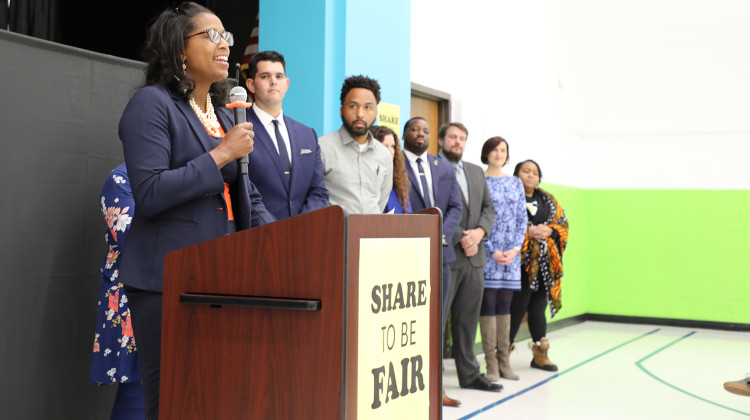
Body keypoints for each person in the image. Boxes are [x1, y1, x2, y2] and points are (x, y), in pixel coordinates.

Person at [117, 3, 275, 418]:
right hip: (167, 279)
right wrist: (221, 154)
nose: (225, 44)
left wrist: (280, 242)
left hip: (221, 274)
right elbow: (149, 191)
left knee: (214, 395)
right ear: (179, 49)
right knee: (174, 399)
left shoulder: (223, 115)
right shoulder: (151, 105)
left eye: (228, 37)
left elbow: (248, 196)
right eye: (212, 36)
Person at [402, 116, 463, 406]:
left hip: (440, 253)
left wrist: (442, 233)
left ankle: (436, 389)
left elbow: (455, 206)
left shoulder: (444, 166)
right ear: (405, 134)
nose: (420, 134)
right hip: (407, 252)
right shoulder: (395, 162)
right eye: (414, 129)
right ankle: (410, 390)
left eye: (425, 130)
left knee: (437, 321)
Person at [438, 123, 500, 393]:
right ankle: (432, 378)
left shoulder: (475, 171)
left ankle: (470, 375)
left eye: (462, 138)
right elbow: (431, 208)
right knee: (437, 320)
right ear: (441, 140)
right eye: (452, 137)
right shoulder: (431, 167)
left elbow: (489, 208)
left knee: (467, 320)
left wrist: (479, 233)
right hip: (446, 256)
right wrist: (462, 235)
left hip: (475, 258)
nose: (457, 142)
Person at [244, 50, 328, 220]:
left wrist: (300, 227)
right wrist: (278, 232)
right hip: (257, 237)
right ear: (251, 85)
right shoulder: (239, 128)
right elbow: (242, 191)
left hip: (304, 235)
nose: (274, 82)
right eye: (265, 76)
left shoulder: (308, 134)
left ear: (287, 84)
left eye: (279, 76)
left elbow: (319, 191)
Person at [91, 164, 144, 420]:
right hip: (134, 294)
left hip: (184, 291)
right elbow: (132, 239)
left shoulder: (190, 175)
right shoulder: (122, 177)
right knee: (137, 391)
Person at [509, 159, 568, 372]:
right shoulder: (510, 197)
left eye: (534, 172)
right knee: (516, 308)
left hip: (544, 265)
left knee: (537, 308)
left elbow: (562, 224)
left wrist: (550, 231)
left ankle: (540, 355)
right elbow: (501, 225)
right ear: (516, 174)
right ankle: (502, 354)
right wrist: (528, 233)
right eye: (526, 171)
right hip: (517, 264)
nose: (530, 175)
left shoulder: (548, 200)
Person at [479, 137, 527, 382]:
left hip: (511, 257)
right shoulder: (479, 180)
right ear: (486, 153)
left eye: (503, 150)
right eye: (494, 150)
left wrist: (516, 248)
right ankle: (491, 366)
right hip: (488, 254)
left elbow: (521, 218)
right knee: (487, 305)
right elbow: (475, 217)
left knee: (505, 307)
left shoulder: (515, 182)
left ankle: (504, 362)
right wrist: (490, 249)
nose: (499, 154)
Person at [319, 75, 393, 214]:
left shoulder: (384, 154)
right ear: (341, 110)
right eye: (353, 106)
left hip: (371, 234)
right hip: (335, 234)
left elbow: (381, 200)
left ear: (376, 112)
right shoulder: (322, 148)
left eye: (367, 107)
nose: (360, 114)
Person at [371, 125, 411, 213]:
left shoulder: (399, 181)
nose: (391, 151)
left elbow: (408, 217)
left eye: (392, 146)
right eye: (385, 146)